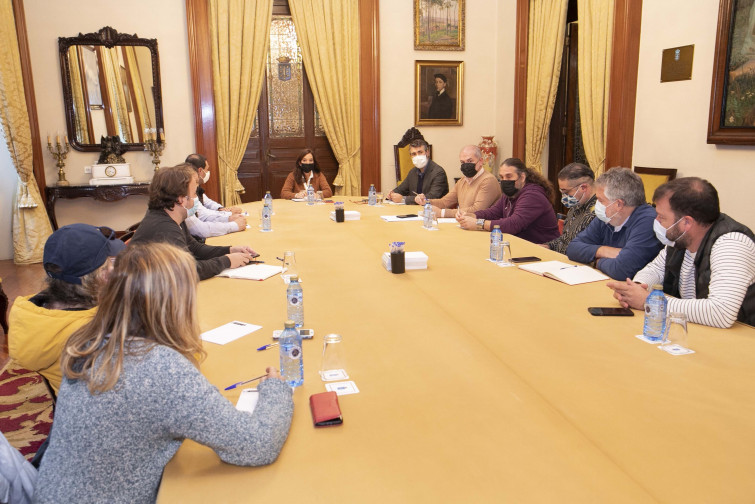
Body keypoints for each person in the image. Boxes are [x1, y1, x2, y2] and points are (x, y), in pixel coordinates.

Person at [33, 243, 294, 503]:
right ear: (174, 302)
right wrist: (276, 389)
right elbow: (257, 444)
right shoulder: (158, 367)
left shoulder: (86, 342)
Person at [608, 177, 755, 328]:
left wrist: (650, 301)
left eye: (662, 217)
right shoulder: (680, 238)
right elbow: (655, 270)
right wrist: (636, 289)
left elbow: (721, 312)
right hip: (698, 331)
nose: (656, 220)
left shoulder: (732, 244)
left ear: (686, 223)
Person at [7, 224, 123, 394]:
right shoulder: (94, 334)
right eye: (111, 263)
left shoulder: (31, 314)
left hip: (66, 399)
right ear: (100, 276)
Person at [130, 164, 256, 280]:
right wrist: (226, 261)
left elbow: (195, 248)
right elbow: (188, 271)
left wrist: (229, 250)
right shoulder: (164, 228)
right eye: (194, 193)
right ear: (181, 200)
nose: (197, 198)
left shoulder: (173, 217)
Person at [566, 167, 661, 280]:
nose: (597, 205)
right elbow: (572, 248)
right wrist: (603, 250)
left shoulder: (648, 222)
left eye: (600, 200)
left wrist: (597, 262)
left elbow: (622, 270)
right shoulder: (607, 216)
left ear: (619, 204)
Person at [456, 158, 560, 243]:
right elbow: (493, 212)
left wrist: (478, 223)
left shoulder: (533, 195)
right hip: (519, 244)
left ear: (522, 177)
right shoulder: (511, 193)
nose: (505, 180)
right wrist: (471, 215)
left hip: (541, 249)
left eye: (509, 176)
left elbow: (513, 224)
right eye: (502, 177)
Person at [416, 145, 500, 218]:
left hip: (484, 229)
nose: (466, 165)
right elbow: (445, 202)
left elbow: (477, 210)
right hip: (464, 225)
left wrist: (442, 213)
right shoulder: (462, 181)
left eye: (470, 161)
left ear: (481, 161)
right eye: (462, 162)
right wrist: (426, 201)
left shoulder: (488, 180)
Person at [184, 153, 246, 239]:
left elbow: (207, 204)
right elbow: (201, 226)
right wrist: (230, 219)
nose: (196, 198)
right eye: (207, 169)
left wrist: (222, 210)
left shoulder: (191, 190)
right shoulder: (185, 198)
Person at [543, 162, 598, 254]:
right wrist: (549, 246)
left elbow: (584, 250)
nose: (564, 196)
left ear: (583, 187)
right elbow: (565, 239)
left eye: (566, 192)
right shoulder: (577, 205)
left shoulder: (600, 212)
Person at [388, 139, 449, 205]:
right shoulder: (412, 172)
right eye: (414, 154)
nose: (417, 156)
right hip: (415, 211)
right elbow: (401, 190)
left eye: (420, 152)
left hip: (434, 212)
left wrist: (403, 199)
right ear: (410, 156)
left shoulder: (438, 172)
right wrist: (392, 194)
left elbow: (432, 197)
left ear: (427, 153)